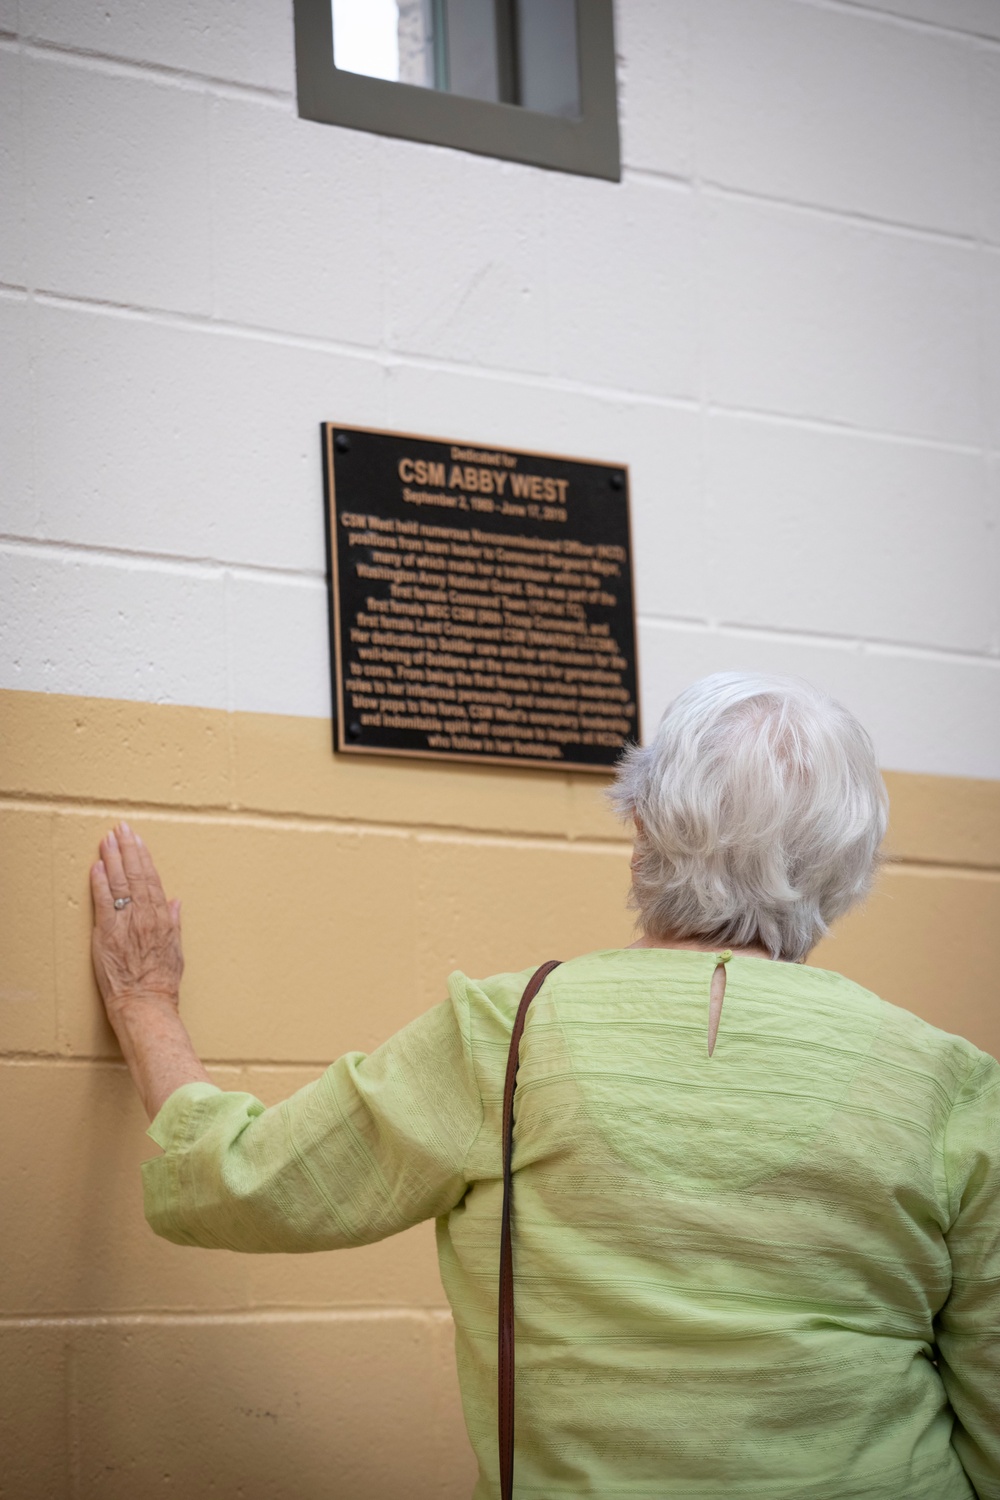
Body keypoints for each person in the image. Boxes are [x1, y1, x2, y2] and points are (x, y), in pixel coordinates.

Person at [90, 672, 1000, 1500]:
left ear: (642, 824)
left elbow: (252, 1183)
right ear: (849, 864)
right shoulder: (950, 1083)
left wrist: (144, 1004)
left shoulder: (506, 1034)